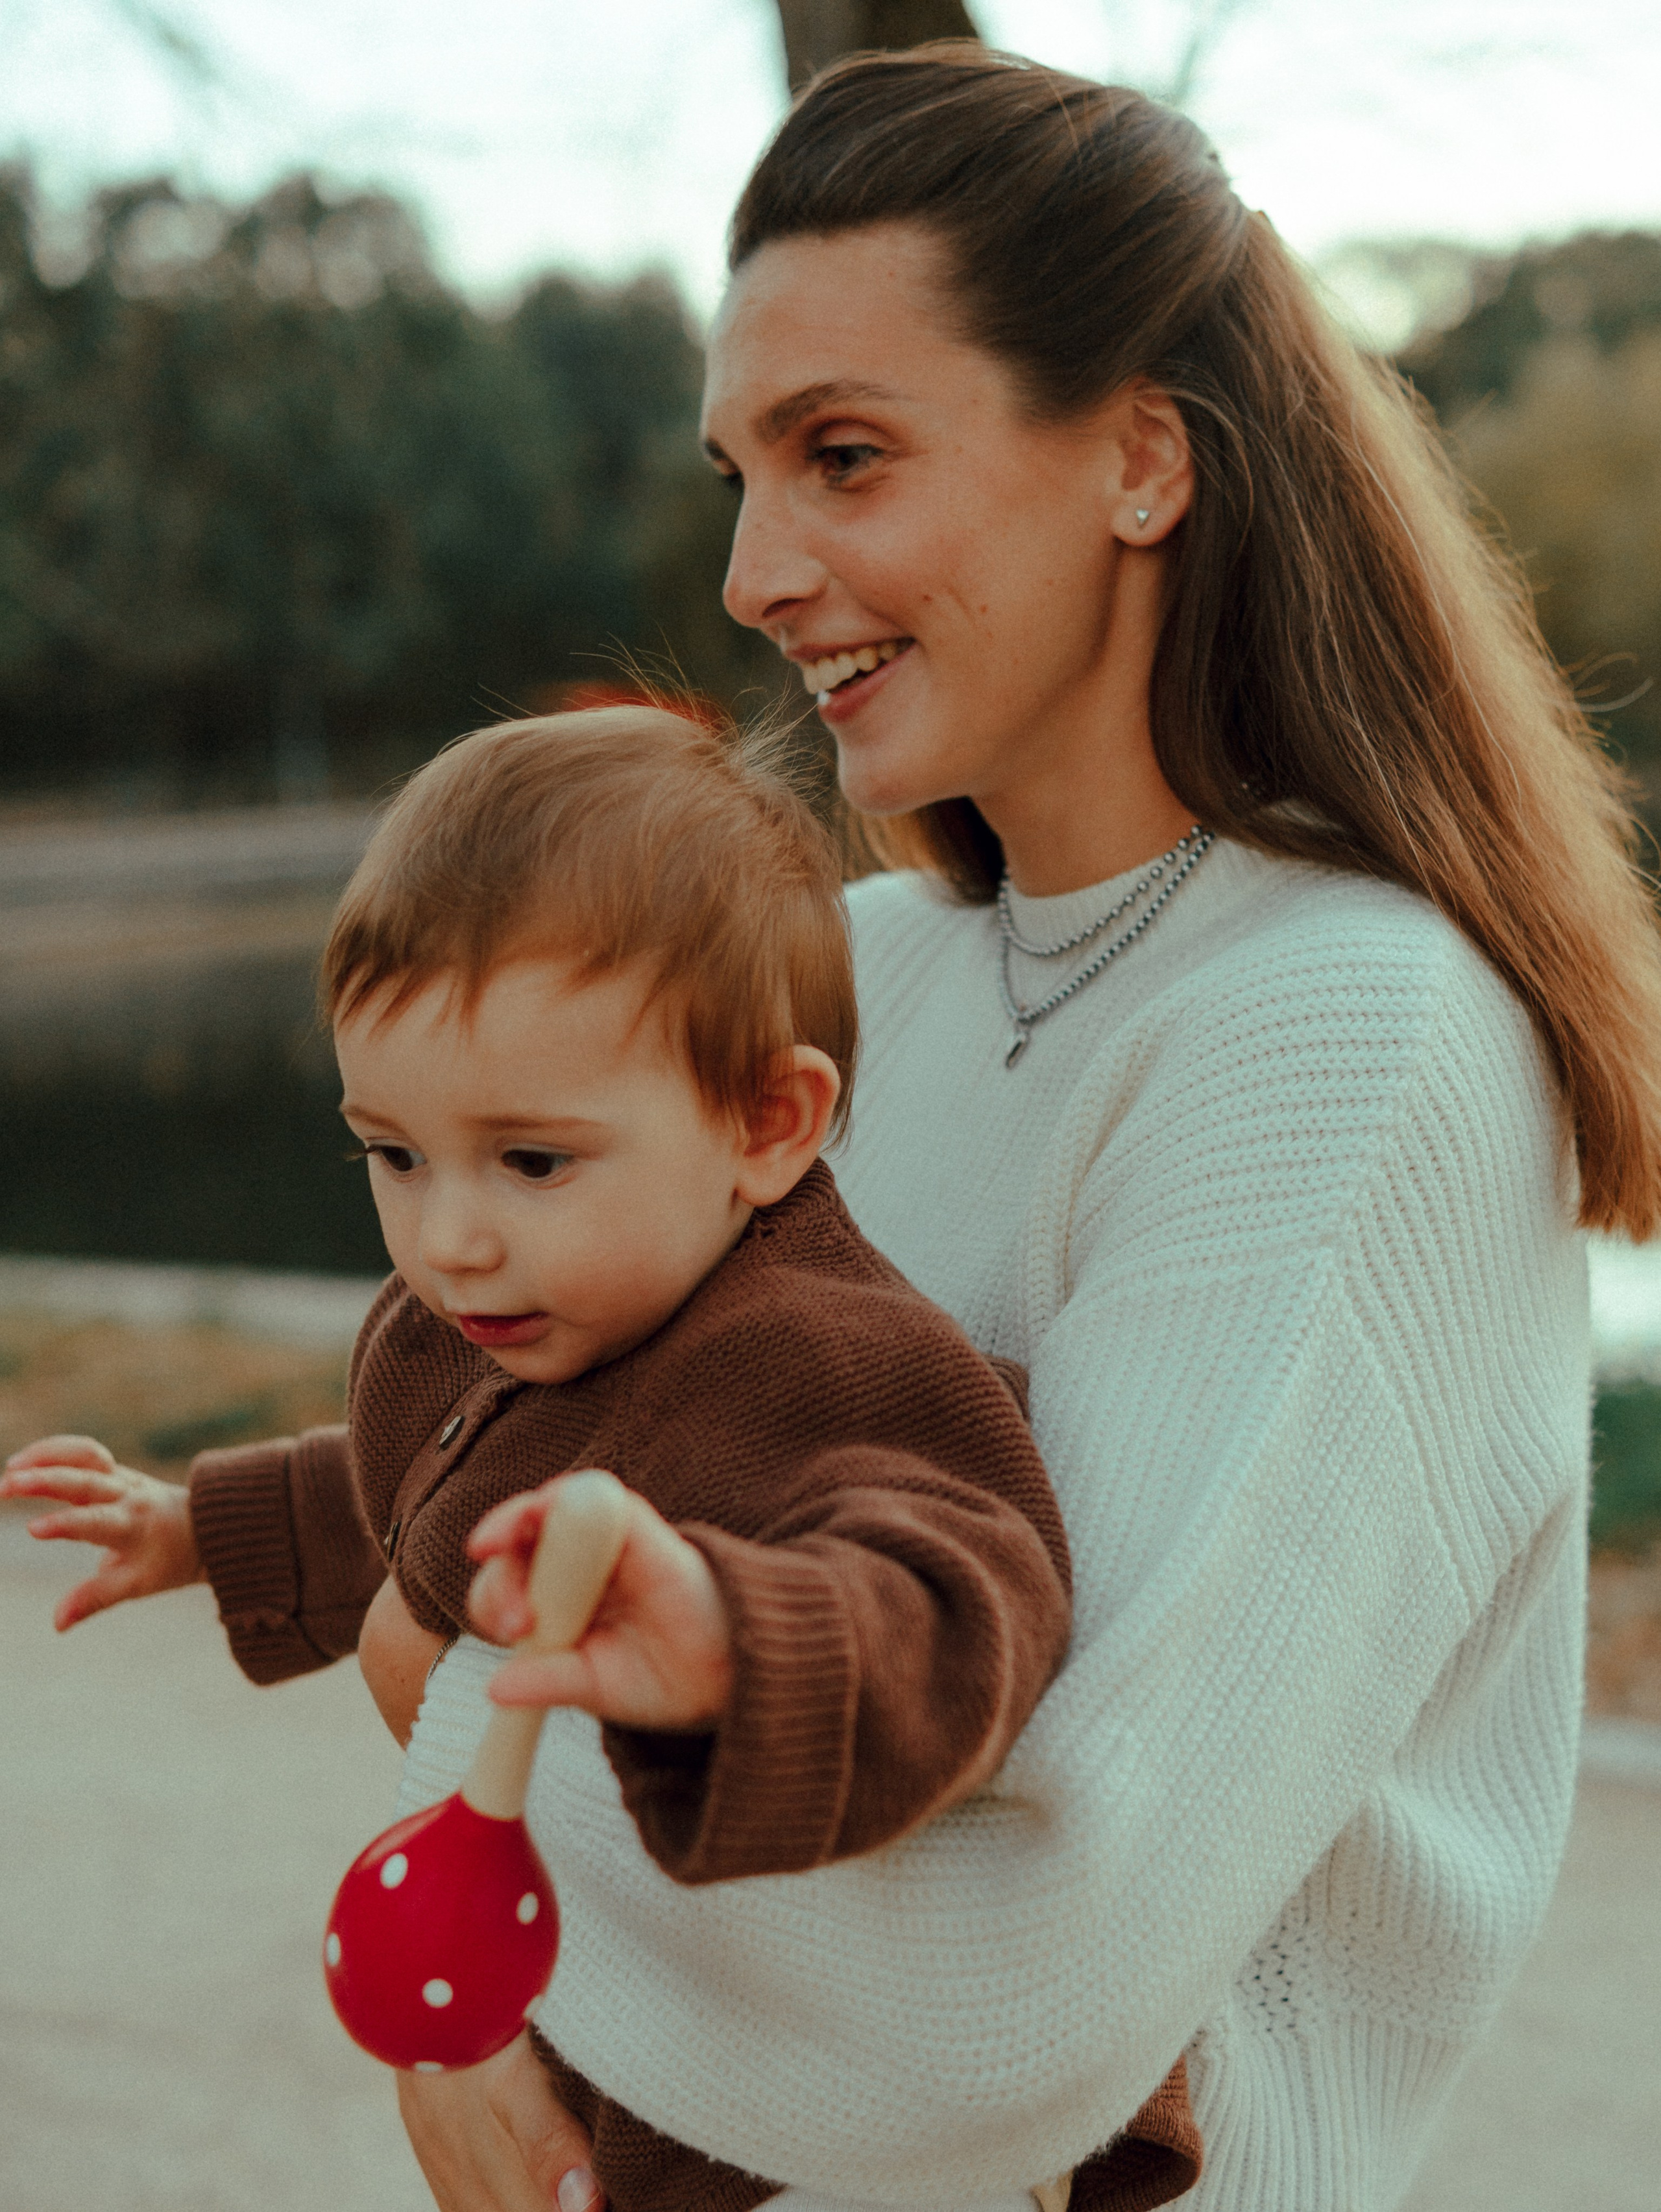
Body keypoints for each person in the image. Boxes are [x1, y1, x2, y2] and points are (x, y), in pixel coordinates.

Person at [373, 42, 1661, 2212]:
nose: (762, 571)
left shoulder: (1351, 1039)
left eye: (848, 457)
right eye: (739, 478)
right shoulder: (851, 989)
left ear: (1144, 459)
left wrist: (462, 1803)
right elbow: (468, 1484)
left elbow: (1016, 1976)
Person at [2, 703, 1199, 2212]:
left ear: (768, 1122)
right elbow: (421, 1497)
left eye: (533, 1159)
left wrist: (724, 1636)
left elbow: (964, 1598)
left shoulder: (827, 1361)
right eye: (393, 1153)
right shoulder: (503, 1314)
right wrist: (201, 1528)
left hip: (793, 2121)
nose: (448, 1235)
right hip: (612, 2035)